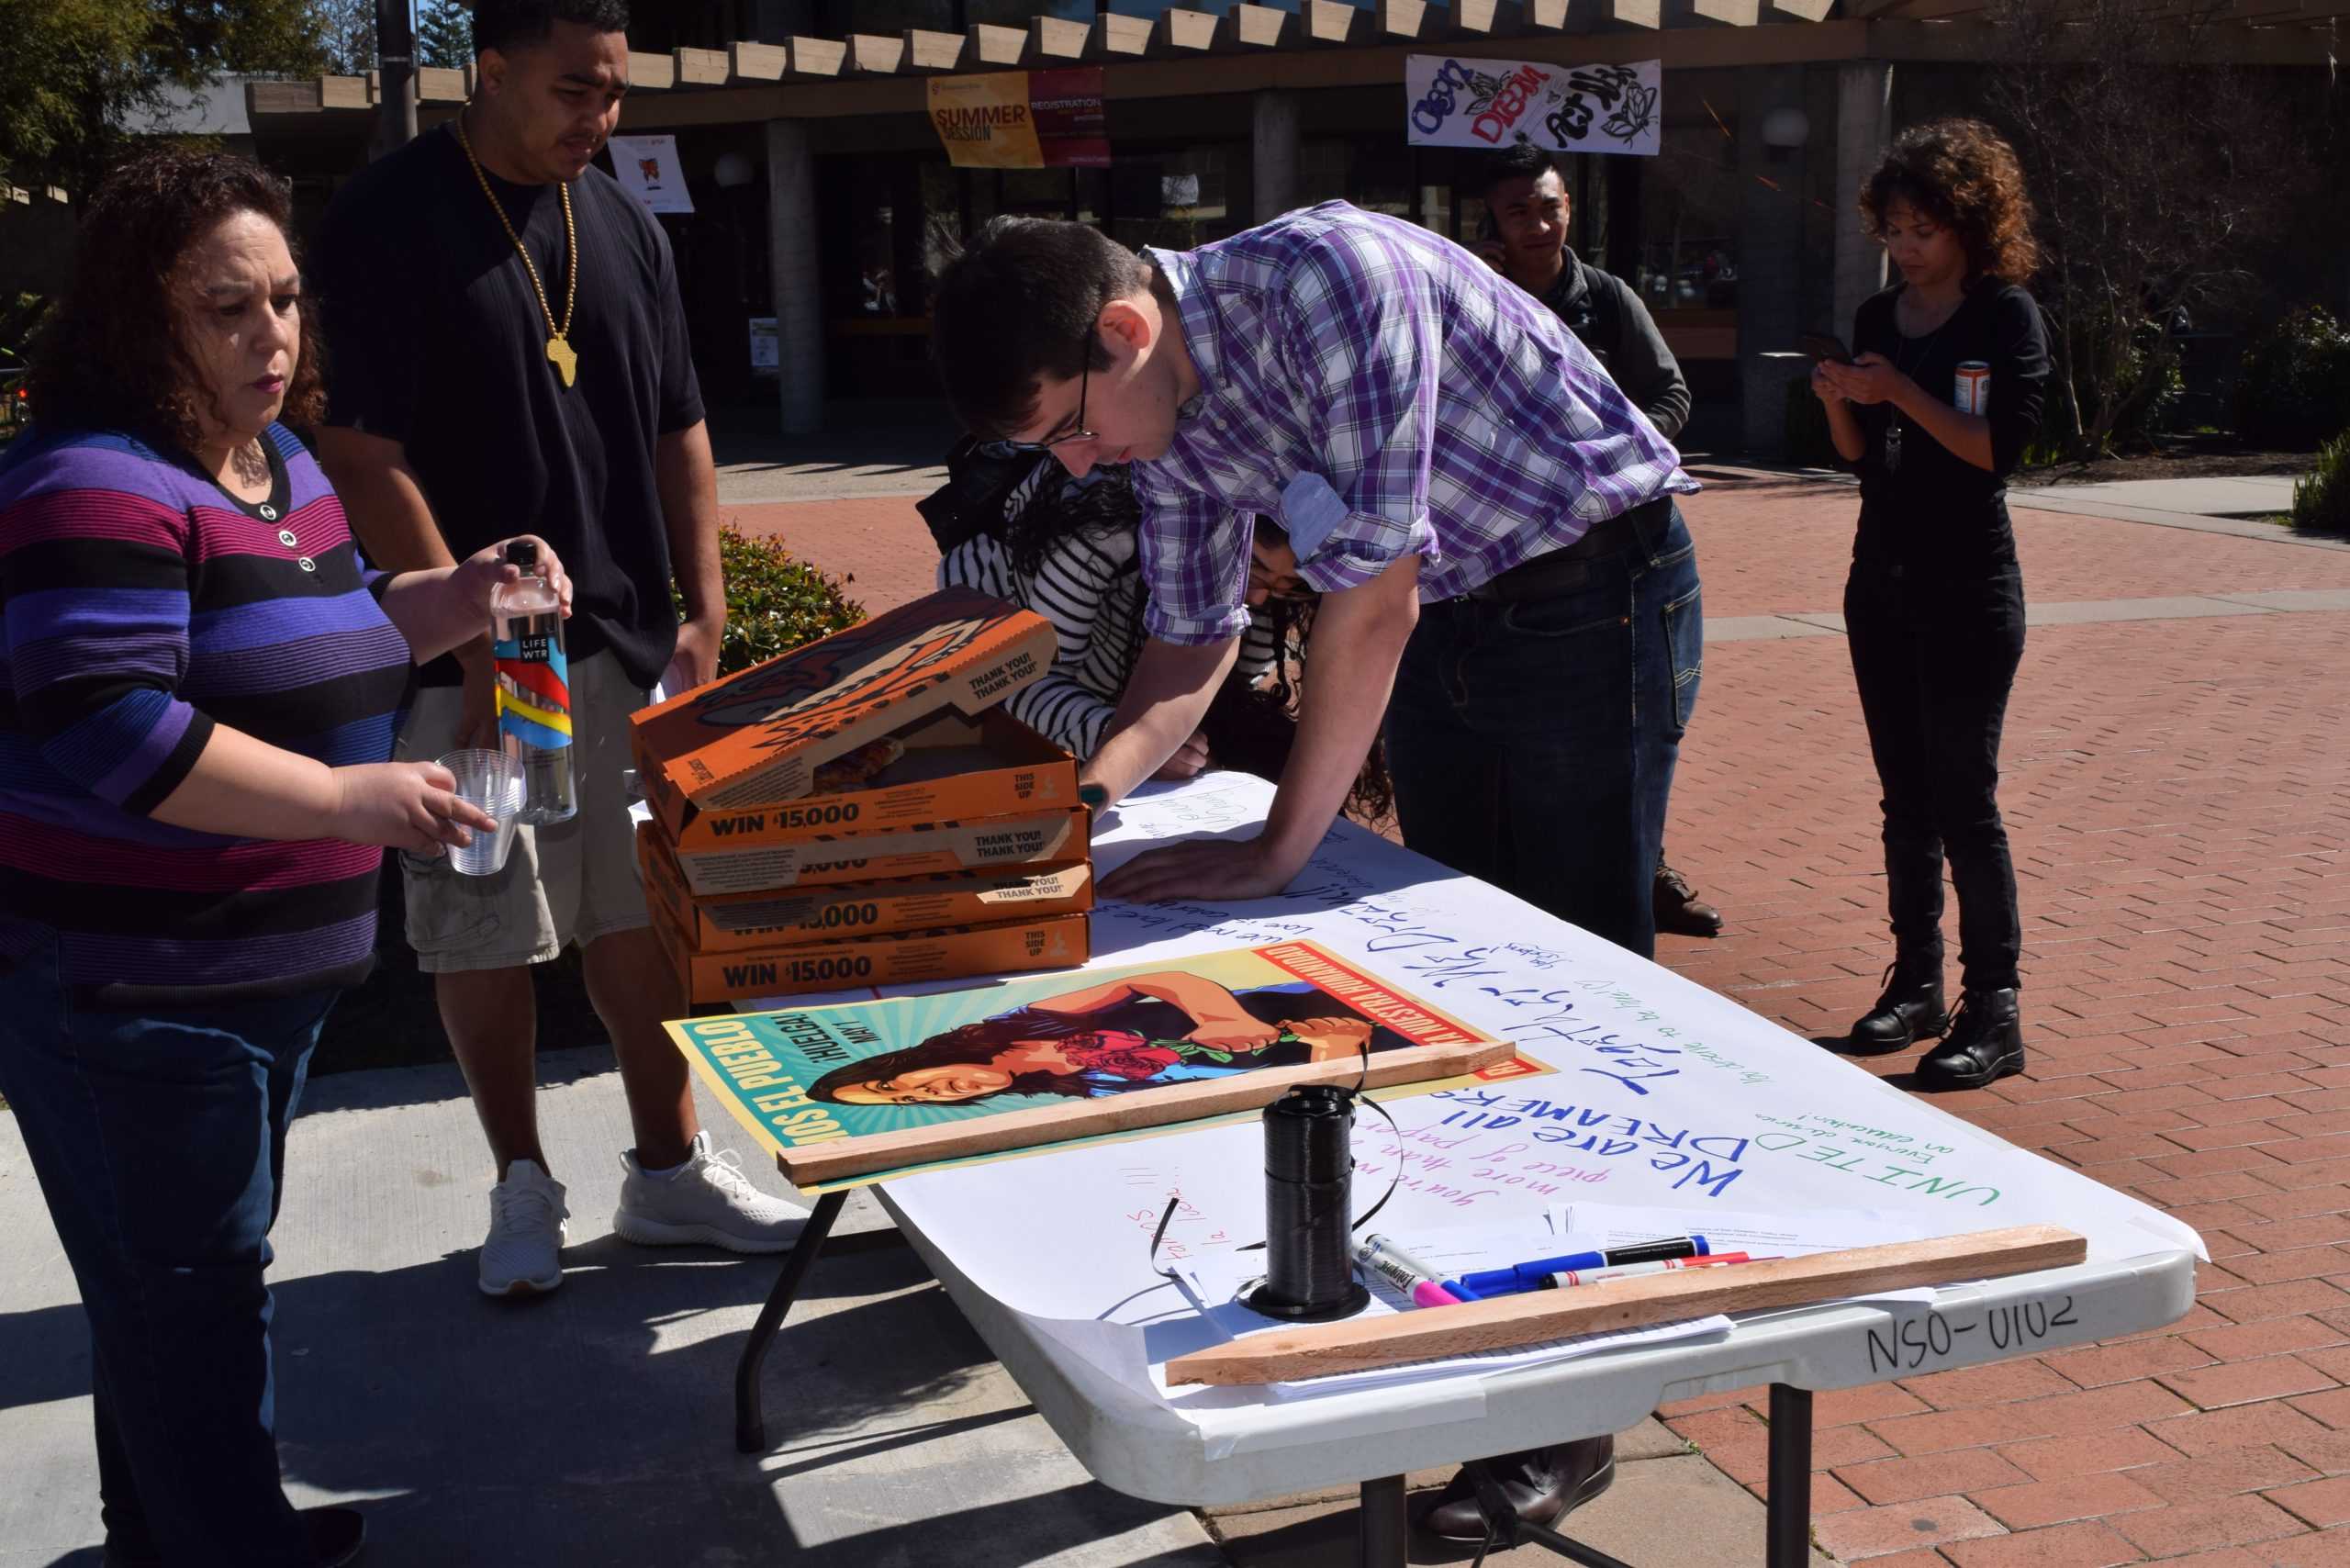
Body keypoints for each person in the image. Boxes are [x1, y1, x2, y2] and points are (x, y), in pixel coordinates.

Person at [929, 201, 1700, 1542]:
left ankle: (1572, 1418)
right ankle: (1489, 1369)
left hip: (1590, 595)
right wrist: (1082, 810)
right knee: (1465, 1029)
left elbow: (1375, 592)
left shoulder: (1331, 283)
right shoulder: (1151, 416)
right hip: (1457, 619)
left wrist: (1280, 846)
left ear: (1121, 330)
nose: (1078, 460)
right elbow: (1186, 646)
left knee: (1563, 1022)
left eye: (1067, 427)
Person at [0, 147, 575, 1566]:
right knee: (185, 1298)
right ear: (142, 318)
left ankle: (191, 1531)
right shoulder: (90, 482)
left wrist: (461, 594)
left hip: (252, 980)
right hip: (138, 991)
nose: (274, 337)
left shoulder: (275, 463)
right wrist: (345, 802)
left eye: (287, 301)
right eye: (227, 309)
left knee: (182, 1294)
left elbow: (334, 622)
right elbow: (106, 727)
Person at [310, 0, 798, 1299]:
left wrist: (704, 609)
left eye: (616, 92)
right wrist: (473, 644)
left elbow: (681, 426)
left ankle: (669, 1172)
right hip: (467, 673)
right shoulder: (384, 219)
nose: (603, 116)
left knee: (641, 921)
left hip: (622, 646)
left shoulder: (625, 222)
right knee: (483, 924)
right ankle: (522, 1186)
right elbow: (361, 450)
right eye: (577, 88)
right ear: (494, 67)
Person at [1812, 118, 2049, 1091]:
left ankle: (1993, 1009)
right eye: (1894, 229)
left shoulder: (2004, 316)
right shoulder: (1878, 317)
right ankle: (1915, 979)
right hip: (1882, 577)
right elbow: (1860, 455)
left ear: (1970, 224)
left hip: (1968, 582)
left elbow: (1997, 452)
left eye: (1925, 229)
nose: (1907, 249)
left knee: (1963, 796)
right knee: (1903, 795)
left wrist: (1898, 391)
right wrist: (1839, 395)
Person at [1477, 143, 1722, 939]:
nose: (1539, 223)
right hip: (1518, 554)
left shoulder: (1608, 300)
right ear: (1496, 221)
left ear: (1569, 208)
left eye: (1550, 206)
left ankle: (1644, 872)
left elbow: (1671, 392)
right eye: (1520, 211)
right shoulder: (1479, 300)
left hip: (1616, 551)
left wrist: (1614, 457)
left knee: (1628, 739)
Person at [923, 442, 1393, 815]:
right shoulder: (1101, 535)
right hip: (1026, 660)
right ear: (1233, 535)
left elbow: (1234, 689)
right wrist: (1129, 743)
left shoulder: (1263, 582)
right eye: (1258, 574)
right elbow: (1025, 680)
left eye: (1289, 586)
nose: (1262, 598)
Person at [808, 975, 1389, 1107]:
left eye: (892, 1084)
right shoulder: (1069, 1091)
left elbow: (1150, 980)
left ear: (902, 1062)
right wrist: (1327, 1061)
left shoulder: (1024, 1025)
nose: (932, 1092)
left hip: (1318, 1005)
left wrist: (1219, 1017)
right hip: (1332, 1058)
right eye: (906, 1103)